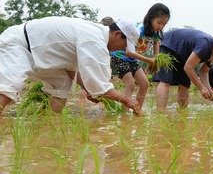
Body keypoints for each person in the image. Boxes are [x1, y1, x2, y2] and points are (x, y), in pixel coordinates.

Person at [0, 17, 141, 115]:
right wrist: (128, 101)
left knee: (62, 85)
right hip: (19, 44)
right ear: (117, 34)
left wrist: (88, 89)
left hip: (41, 53)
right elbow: (100, 86)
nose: (120, 49)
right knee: (9, 87)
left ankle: (50, 124)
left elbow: (71, 70)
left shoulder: (94, 34)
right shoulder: (95, 40)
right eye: (124, 45)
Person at [153, 29, 213, 110]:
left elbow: (203, 71)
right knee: (165, 81)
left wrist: (208, 89)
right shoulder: (205, 44)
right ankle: (160, 113)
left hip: (183, 56)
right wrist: (201, 88)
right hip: (168, 45)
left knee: (184, 85)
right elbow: (188, 67)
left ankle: (182, 113)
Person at [110, 3, 170, 110]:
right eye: (159, 22)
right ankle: (124, 115)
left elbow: (156, 54)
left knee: (144, 84)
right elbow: (129, 52)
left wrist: (155, 63)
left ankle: (137, 111)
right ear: (151, 18)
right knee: (130, 84)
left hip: (133, 59)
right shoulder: (139, 30)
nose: (160, 26)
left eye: (164, 24)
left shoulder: (157, 34)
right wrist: (149, 60)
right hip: (121, 56)